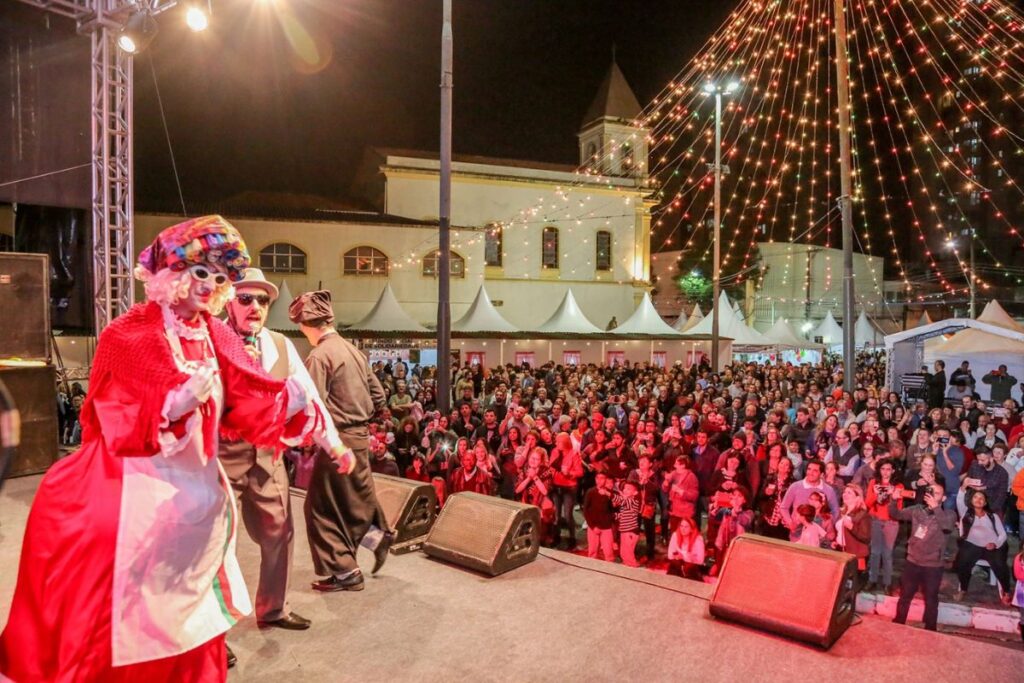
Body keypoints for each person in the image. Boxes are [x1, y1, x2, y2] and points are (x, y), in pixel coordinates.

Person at [0, 216, 344, 680]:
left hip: (197, 497)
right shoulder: (127, 334)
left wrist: (300, 411)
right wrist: (170, 404)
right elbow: (110, 413)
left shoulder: (216, 334)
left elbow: (251, 396)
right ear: (171, 274)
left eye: (219, 277)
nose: (210, 285)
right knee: (115, 596)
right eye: (201, 272)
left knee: (191, 610)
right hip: (135, 488)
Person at [220, 267, 343, 637]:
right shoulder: (211, 338)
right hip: (220, 456)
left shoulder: (280, 343)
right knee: (213, 545)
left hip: (268, 454)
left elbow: (311, 398)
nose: (255, 306)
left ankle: (273, 607)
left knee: (280, 532)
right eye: (246, 298)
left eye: (263, 299)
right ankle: (213, 631)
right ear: (229, 301)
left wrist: (334, 444)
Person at [290, 290, 392, 592]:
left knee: (320, 507)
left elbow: (312, 403)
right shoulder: (353, 350)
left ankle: (345, 571)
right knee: (352, 499)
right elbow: (379, 396)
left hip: (336, 440)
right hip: (360, 436)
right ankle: (377, 535)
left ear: (307, 324)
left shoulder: (320, 355)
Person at [891, 483, 957, 631]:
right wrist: (894, 499)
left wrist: (936, 508)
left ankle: (930, 628)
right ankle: (899, 622)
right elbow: (896, 514)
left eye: (938, 493)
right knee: (905, 595)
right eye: (932, 491)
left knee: (931, 598)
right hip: (913, 560)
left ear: (944, 498)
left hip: (933, 565)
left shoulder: (949, 514)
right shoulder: (917, 510)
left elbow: (946, 526)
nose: (934, 495)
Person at [954, 489, 1013, 603]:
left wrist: (995, 544)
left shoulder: (992, 516)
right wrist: (963, 488)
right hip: (972, 545)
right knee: (962, 561)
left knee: (1000, 564)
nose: (978, 500)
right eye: (975, 497)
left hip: (991, 546)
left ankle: (1006, 592)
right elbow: (960, 501)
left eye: (982, 498)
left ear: (985, 503)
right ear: (971, 500)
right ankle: (963, 589)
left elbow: (1003, 534)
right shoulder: (966, 514)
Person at [865, 459, 904, 595]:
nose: (885, 472)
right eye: (883, 469)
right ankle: (872, 579)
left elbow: (899, 509)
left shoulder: (898, 486)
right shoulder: (873, 483)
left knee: (887, 553)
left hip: (891, 522)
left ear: (893, 471)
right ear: (879, 470)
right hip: (876, 520)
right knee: (875, 552)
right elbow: (867, 503)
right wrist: (876, 494)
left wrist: (893, 495)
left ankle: (887, 583)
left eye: (888, 469)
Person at [834, 484, 872, 587]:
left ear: (858, 497)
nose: (845, 494)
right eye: (844, 492)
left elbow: (866, 537)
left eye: (849, 493)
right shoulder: (843, 511)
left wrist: (851, 527)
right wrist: (836, 541)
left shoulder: (863, 514)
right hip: (842, 552)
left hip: (855, 556)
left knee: (849, 589)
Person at [583, 472, 616, 561]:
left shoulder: (609, 493)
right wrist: (593, 526)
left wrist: (609, 521)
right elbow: (585, 510)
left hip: (606, 527)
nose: (600, 480)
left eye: (602, 478)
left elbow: (612, 509)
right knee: (592, 552)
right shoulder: (590, 492)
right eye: (598, 478)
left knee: (609, 553)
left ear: (606, 480)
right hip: (593, 527)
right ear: (595, 479)